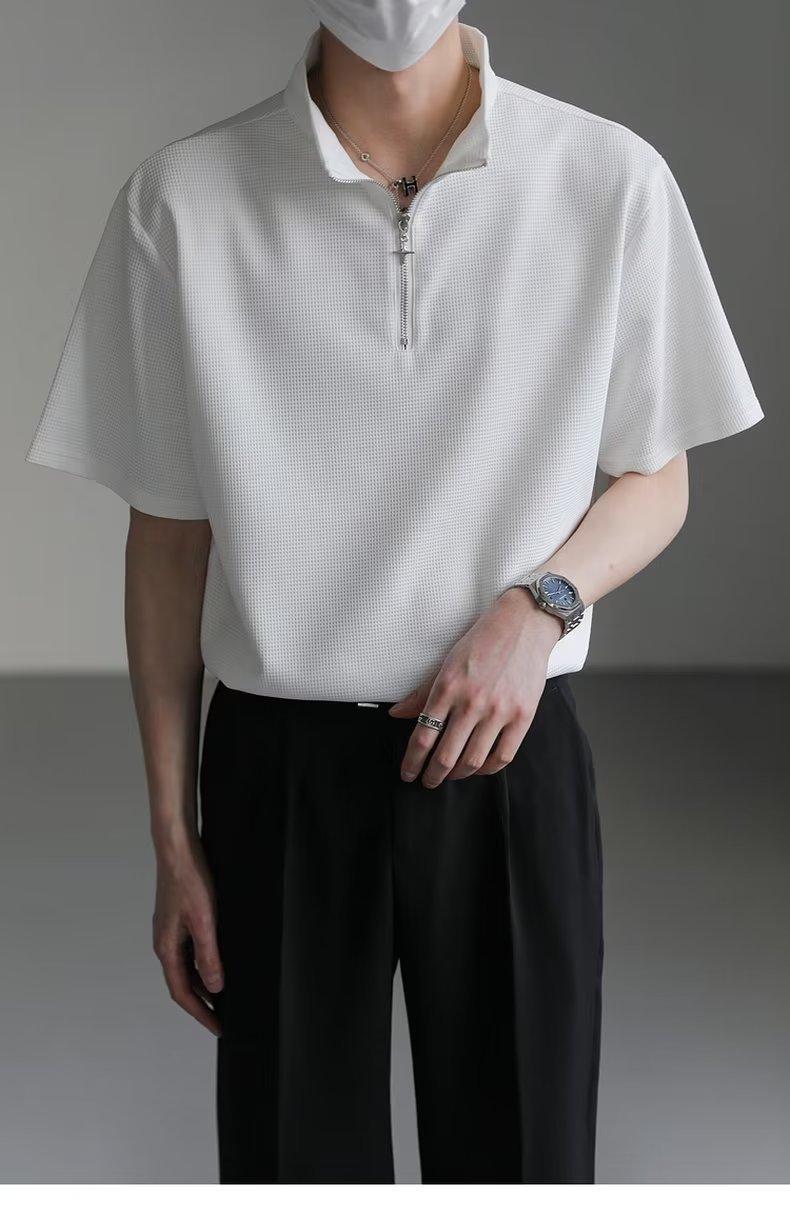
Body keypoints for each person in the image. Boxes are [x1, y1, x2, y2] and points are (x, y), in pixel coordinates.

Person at [24, 0, 764, 1185]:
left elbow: (657, 473)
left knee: (524, 1169)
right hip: (279, 772)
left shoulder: (606, 176)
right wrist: (173, 832)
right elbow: (167, 538)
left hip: (510, 749)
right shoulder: (183, 198)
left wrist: (540, 608)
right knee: (292, 1173)